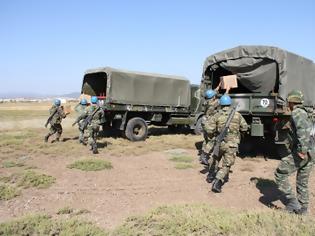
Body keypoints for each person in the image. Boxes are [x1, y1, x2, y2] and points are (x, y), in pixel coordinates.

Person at [274, 90, 314, 214]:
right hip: (312, 152)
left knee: (280, 174)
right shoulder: (309, 112)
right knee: (302, 181)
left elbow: (303, 131)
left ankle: (292, 202)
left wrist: (302, 150)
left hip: (304, 152)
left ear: (292, 101)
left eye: (288, 101)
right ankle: (303, 209)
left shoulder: (297, 112)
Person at [204, 94, 248, 193]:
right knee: (226, 165)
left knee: (215, 158)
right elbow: (244, 127)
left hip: (219, 142)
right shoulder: (237, 115)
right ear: (229, 103)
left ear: (221, 104)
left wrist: (214, 135)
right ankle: (218, 181)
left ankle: (210, 176)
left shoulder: (217, 114)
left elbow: (209, 129)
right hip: (232, 144)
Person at [200, 89, 219, 165]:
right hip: (209, 123)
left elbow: (213, 94)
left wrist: (219, 86)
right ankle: (204, 155)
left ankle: (202, 154)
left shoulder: (206, 102)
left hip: (204, 121)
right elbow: (221, 100)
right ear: (213, 97)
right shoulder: (214, 103)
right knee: (212, 140)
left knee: (206, 139)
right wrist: (227, 91)